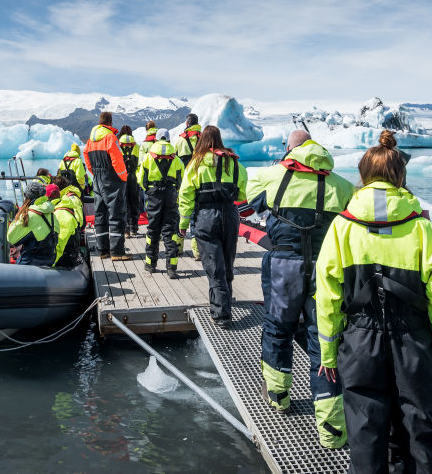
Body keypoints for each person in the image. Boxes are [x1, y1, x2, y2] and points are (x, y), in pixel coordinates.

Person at [315, 130, 432, 473]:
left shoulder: (342, 228)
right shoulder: (423, 230)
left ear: (363, 176)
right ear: (400, 176)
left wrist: (328, 354)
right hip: (414, 344)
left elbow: (327, 297)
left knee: (365, 432)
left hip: (360, 343)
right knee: (422, 430)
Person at [246, 130, 355, 448]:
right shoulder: (342, 186)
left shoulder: (270, 175)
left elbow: (248, 206)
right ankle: (332, 431)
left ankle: (278, 397)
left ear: (290, 150)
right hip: (326, 274)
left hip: (283, 269)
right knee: (324, 345)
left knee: (277, 330)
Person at [178, 126, 248, 325]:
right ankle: (226, 301)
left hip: (206, 215)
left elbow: (186, 195)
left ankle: (221, 314)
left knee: (213, 265)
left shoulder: (196, 163)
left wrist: (183, 223)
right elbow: (243, 194)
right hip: (229, 215)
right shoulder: (235, 163)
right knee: (227, 261)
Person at [84, 112, 130, 260]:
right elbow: (117, 160)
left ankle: (103, 250)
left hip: (97, 179)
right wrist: (123, 177)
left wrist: (94, 174)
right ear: (110, 122)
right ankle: (117, 252)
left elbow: (86, 158)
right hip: (112, 180)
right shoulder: (110, 137)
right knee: (116, 214)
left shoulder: (90, 140)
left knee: (100, 214)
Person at [138, 128, 183, 277]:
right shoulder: (176, 159)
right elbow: (181, 181)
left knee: (152, 231)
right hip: (170, 197)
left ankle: (151, 265)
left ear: (156, 140)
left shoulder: (148, 158)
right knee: (170, 232)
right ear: (169, 140)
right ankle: (172, 268)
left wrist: (150, 191)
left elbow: (141, 180)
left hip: (154, 197)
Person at [6, 180, 59, 267]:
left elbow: (10, 238)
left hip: (30, 264)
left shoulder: (29, 216)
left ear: (27, 197)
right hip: (48, 261)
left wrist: (18, 217)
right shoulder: (52, 214)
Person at [48, 178, 84, 268]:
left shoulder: (63, 211)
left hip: (67, 256)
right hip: (72, 230)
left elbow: (60, 242)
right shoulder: (67, 200)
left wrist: (49, 263)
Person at [118, 126, 142, 237]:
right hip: (133, 177)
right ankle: (134, 228)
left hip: (122, 177)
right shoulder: (136, 145)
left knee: (124, 204)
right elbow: (138, 163)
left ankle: (126, 229)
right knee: (134, 203)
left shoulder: (118, 145)